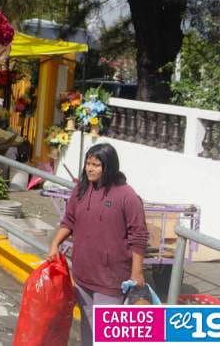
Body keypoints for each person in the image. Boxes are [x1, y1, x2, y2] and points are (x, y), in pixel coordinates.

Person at [46, 143, 148, 345]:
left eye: (96, 165)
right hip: (83, 274)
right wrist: (54, 244)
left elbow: (139, 235)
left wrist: (137, 272)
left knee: (107, 334)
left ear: (108, 166)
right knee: (88, 326)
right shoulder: (81, 190)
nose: (90, 169)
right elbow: (69, 221)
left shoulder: (127, 196)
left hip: (111, 279)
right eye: (88, 163)